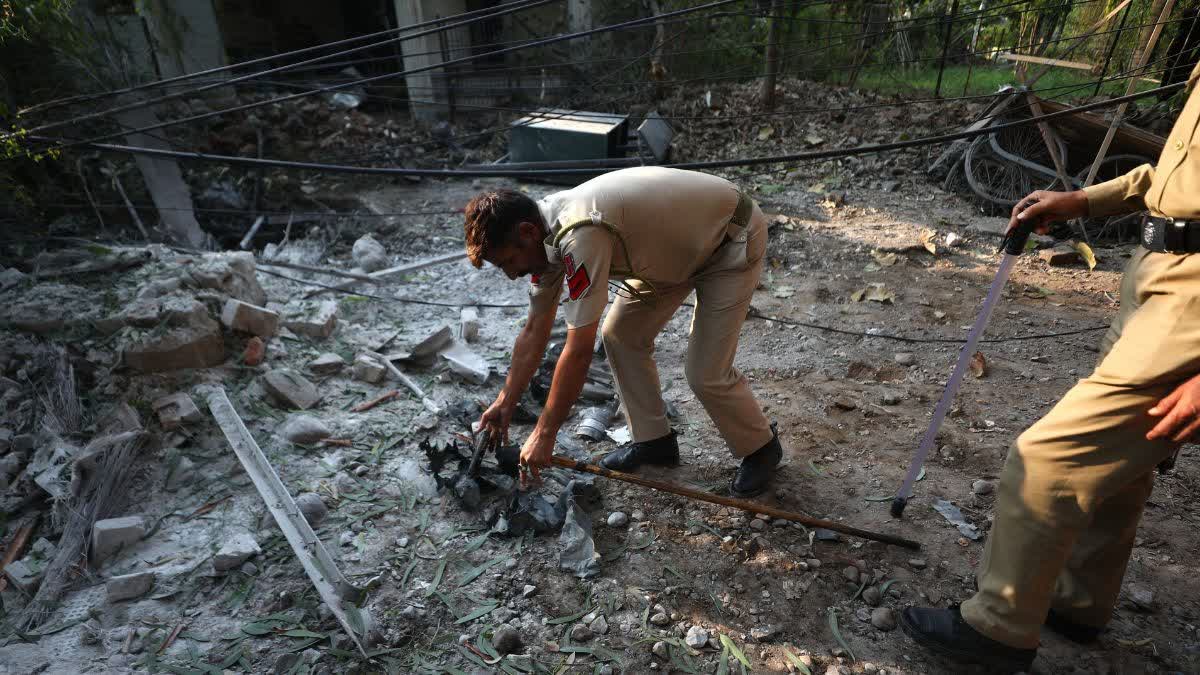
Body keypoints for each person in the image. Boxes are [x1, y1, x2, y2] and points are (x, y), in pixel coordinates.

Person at [900, 62, 1200, 672]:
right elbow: (1173, 170)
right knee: (1124, 458)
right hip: (1156, 274)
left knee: (1050, 456)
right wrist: (1085, 200)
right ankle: (1076, 602)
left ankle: (998, 629)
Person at [464, 166, 784, 497]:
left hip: (729, 239)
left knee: (705, 372)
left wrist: (545, 433)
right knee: (620, 336)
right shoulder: (544, 240)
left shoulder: (580, 234)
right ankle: (654, 440)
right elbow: (534, 330)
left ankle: (761, 447)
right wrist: (505, 400)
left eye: (507, 262)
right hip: (672, 253)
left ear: (527, 232)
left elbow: (578, 349)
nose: (511, 275)